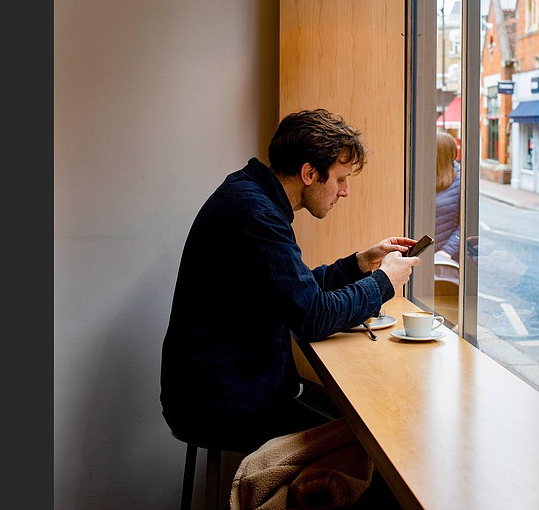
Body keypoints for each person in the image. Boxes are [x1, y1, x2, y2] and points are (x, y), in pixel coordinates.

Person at [160, 108, 421, 454]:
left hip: (228, 386)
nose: (344, 192)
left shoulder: (251, 194)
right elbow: (313, 317)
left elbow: (294, 292)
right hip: (223, 402)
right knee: (370, 445)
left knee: (357, 422)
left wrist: (360, 263)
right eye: (341, 179)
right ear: (310, 173)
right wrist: (385, 282)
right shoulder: (257, 215)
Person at [433, 130, 460, 260]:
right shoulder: (421, 175)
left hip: (445, 258)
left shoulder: (461, 182)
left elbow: (466, 225)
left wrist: (447, 251)